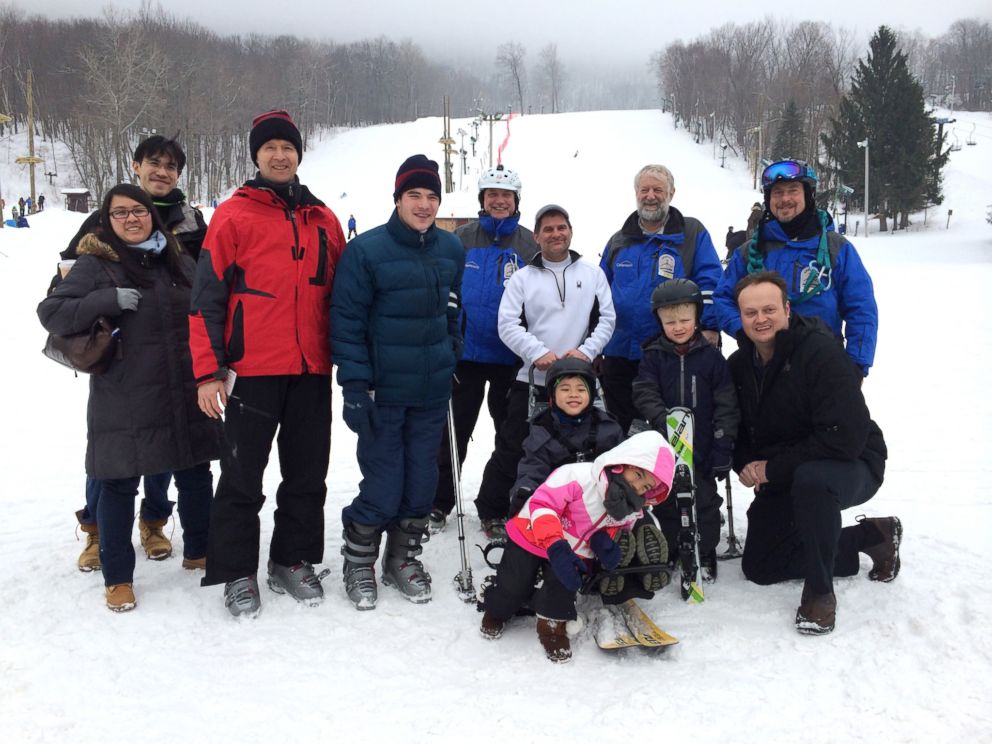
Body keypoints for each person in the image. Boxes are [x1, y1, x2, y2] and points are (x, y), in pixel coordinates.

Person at [38, 184, 222, 612]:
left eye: (138, 211)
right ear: (108, 220)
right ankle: (117, 577)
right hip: (125, 392)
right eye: (119, 213)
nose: (131, 219)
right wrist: (105, 299)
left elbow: (209, 305)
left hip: (183, 385)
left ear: (152, 216)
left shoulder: (178, 258)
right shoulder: (95, 264)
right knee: (120, 481)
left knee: (196, 470)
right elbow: (52, 311)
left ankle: (200, 550)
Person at [191, 109, 346, 618]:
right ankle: (237, 570)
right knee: (241, 476)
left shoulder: (322, 218)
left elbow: (342, 297)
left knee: (307, 473)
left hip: (310, 371)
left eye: (288, 147)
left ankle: (291, 558)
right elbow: (206, 300)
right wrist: (207, 370)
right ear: (256, 155)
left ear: (299, 154)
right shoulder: (233, 215)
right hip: (250, 371)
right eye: (270, 148)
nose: (280, 155)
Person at [56, 135, 209, 572]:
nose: (162, 172)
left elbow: (206, 280)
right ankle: (96, 532)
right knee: (114, 455)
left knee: (174, 446)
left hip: (176, 353)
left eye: (171, 167)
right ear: (136, 166)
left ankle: (155, 522)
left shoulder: (190, 220)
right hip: (128, 360)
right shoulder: (105, 218)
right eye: (153, 163)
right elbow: (66, 282)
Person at [728, 272, 898, 635]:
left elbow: (844, 438)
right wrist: (745, 465)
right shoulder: (740, 366)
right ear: (740, 317)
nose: (761, 319)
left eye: (770, 309)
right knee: (761, 566)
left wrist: (772, 468)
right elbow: (738, 429)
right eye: (751, 312)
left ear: (787, 309)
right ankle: (872, 538)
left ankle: (820, 592)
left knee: (813, 482)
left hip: (853, 462)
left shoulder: (821, 353)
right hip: (788, 468)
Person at [331, 154, 464, 611]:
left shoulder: (450, 249)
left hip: (430, 391)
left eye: (432, 196)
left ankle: (402, 558)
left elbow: (451, 307)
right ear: (398, 199)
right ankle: (359, 560)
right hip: (382, 392)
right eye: (415, 195)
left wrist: (453, 348)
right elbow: (347, 322)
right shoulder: (365, 251)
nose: (424, 205)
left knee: (422, 484)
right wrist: (353, 385)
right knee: (384, 482)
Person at [475, 204, 615, 540]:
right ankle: (493, 509)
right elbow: (507, 323)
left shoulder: (591, 273)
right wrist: (537, 353)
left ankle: (579, 508)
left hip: (577, 381)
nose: (556, 234)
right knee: (514, 444)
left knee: (584, 446)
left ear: (570, 231)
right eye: (548, 229)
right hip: (533, 378)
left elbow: (607, 319)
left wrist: (584, 353)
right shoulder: (523, 277)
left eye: (561, 227)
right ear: (536, 236)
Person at [480, 431, 676, 662]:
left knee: (563, 587)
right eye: (638, 474)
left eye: (647, 485)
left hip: (574, 549)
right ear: (623, 463)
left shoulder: (631, 507)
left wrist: (602, 541)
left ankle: (552, 625)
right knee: (514, 585)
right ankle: (497, 608)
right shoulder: (578, 476)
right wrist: (555, 544)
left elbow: (613, 527)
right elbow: (543, 505)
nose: (639, 486)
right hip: (532, 535)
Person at [430, 164, 538, 534]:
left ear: (515, 201)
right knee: (452, 431)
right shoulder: (459, 239)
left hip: (512, 358)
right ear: (482, 199)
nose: (499, 201)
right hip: (466, 356)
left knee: (510, 437)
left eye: (506, 196)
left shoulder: (529, 243)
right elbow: (441, 289)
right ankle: (438, 502)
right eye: (492, 194)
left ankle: (496, 505)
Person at [714, 159, 878, 377]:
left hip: (823, 366)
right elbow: (723, 298)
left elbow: (861, 308)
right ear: (768, 199)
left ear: (808, 196)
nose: (785, 199)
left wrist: (856, 365)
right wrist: (744, 331)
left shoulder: (836, 248)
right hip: (764, 367)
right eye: (778, 193)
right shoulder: (748, 252)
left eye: (793, 191)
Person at [599, 164, 724, 434]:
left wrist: (711, 326)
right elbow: (598, 294)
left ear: (672, 193)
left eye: (658, 189)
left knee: (669, 427)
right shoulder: (619, 240)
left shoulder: (691, 233)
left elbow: (711, 282)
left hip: (671, 354)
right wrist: (594, 343)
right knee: (619, 429)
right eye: (644, 189)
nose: (650, 195)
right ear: (636, 193)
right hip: (619, 353)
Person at [632, 278, 739, 582]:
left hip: (702, 444)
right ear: (660, 321)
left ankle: (704, 551)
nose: (677, 327)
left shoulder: (712, 358)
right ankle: (669, 547)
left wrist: (722, 443)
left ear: (696, 319)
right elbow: (644, 391)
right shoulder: (654, 355)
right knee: (666, 499)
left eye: (684, 320)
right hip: (666, 445)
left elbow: (726, 403)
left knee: (703, 499)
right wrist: (661, 417)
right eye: (670, 321)